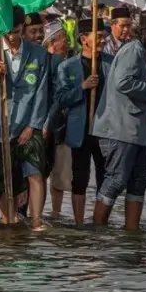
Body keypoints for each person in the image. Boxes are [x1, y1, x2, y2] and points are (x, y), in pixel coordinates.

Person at [91, 9, 146, 230]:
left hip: (139, 132)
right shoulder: (133, 50)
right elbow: (123, 82)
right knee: (115, 180)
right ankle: (97, 231)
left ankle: (132, 235)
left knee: (139, 182)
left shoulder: (140, 52)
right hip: (121, 129)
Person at [0, 6, 50, 228]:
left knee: (35, 172)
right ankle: (9, 221)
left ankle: (37, 221)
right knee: (4, 179)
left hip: (29, 124)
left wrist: (32, 125)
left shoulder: (39, 54)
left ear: (22, 27)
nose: (12, 37)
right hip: (0, 126)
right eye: (7, 32)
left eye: (16, 31)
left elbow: (41, 92)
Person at [57, 18, 112, 225]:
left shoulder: (111, 63)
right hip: (80, 131)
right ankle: (79, 223)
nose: (103, 40)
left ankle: (100, 221)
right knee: (79, 178)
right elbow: (61, 99)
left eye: (104, 37)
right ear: (83, 39)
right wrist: (82, 87)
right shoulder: (67, 66)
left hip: (105, 130)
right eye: (99, 37)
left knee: (105, 178)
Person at [42, 19, 71, 217]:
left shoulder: (59, 62)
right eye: (64, 40)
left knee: (46, 175)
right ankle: (54, 212)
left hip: (53, 124)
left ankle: (48, 213)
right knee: (51, 175)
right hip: (54, 125)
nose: (67, 44)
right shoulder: (58, 63)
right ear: (52, 43)